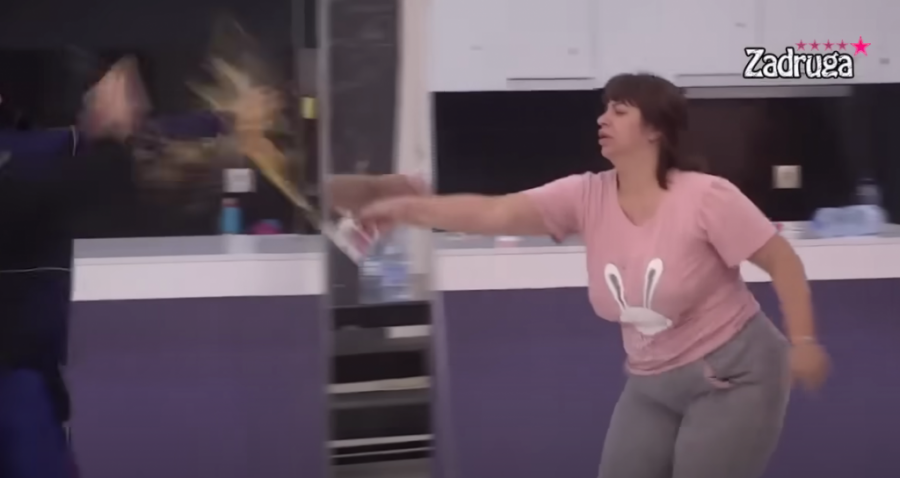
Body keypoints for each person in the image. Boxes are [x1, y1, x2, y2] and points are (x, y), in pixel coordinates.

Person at [356, 73, 830, 478]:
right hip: (651, 380)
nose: (603, 119)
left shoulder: (706, 197)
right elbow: (494, 212)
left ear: (655, 129)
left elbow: (781, 260)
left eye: (619, 111)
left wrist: (804, 341)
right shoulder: (585, 196)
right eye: (604, 110)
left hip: (735, 374)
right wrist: (405, 210)